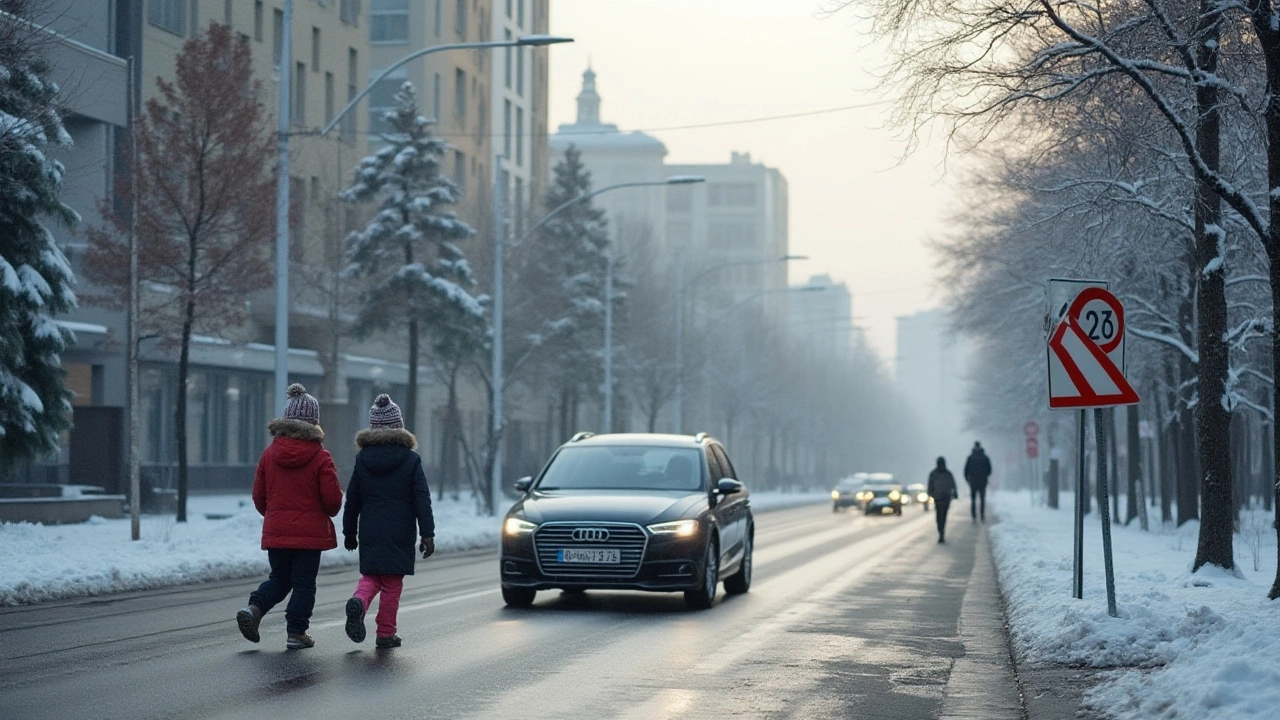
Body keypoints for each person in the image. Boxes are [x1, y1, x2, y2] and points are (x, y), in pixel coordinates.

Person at [237, 384, 342, 650]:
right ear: (314, 422)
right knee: (304, 584)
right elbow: (332, 502)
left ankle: (254, 608)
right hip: (309, 537)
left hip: (277, 532)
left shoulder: (269, 454)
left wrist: (275, 517)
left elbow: (259, 496)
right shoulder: (321, 457)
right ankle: (296, 632)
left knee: (280, 579)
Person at [342, 394, 435, 650]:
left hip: (370, 529)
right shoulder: (410, 459)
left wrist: (349, 531)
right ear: (399, 426)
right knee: (392, 583)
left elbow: (353, 499)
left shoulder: (363, 459)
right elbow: (421, 499)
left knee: (371, 575)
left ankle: (360, 601)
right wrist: (428, 533)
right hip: (400, 530)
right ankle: (385, 633)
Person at [927, 457, 959, 543]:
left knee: (939, 516)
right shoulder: (948, 473)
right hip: (945, 497)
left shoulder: (934, 473)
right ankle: (941, 532)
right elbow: (953, 484)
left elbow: (930, 485)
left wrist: (930, 493)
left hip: (939, 497)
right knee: (943, 516)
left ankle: (941, 531)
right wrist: (955, 493)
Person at [964, 441, 992, 523]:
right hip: (982, 482)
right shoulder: (985, 458)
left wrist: (968, 479)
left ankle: (975, 516)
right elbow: (989, 470)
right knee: (981, 500)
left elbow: (966, 470)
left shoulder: (970, 458)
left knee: (974, 500)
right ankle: (981, 516)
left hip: (973, 482)